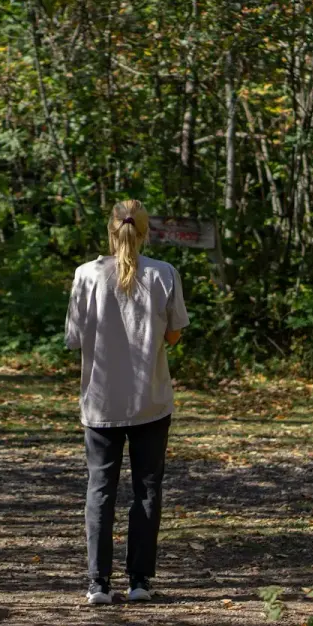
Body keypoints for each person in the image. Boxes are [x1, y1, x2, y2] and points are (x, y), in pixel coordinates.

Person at [64, 199, 190, 605]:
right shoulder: (164, 274)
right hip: (150, 401)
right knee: (147, 489)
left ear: (110, 229)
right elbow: (174, 335)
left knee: (99, 489)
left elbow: (76, 339)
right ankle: (139, 581)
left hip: (101, 403)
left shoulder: (86, 275)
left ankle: (97, 583)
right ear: (146, 231)